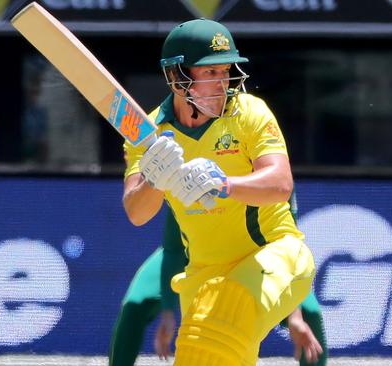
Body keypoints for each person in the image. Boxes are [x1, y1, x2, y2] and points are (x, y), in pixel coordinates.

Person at [122, 18, 316, 365]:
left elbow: (281, 183)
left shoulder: (249, 112)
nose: (222, 83)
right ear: (177, 76)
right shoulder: (148, 132)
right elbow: (136, 213)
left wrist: (224, 184)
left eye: (225, 72)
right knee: (204, 354)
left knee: (227, 309)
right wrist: (156, 178)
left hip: (275, 253)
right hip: (204, 272)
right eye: (209, 73)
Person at [108, 206, 328, 366]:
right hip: (195, 255)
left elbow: (284, 244)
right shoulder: (184, 168)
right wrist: (167, 310)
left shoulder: (269, 164)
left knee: (309, 312)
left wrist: (295, 317)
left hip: (253, 253)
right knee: (134, 305)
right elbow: (174, 250)